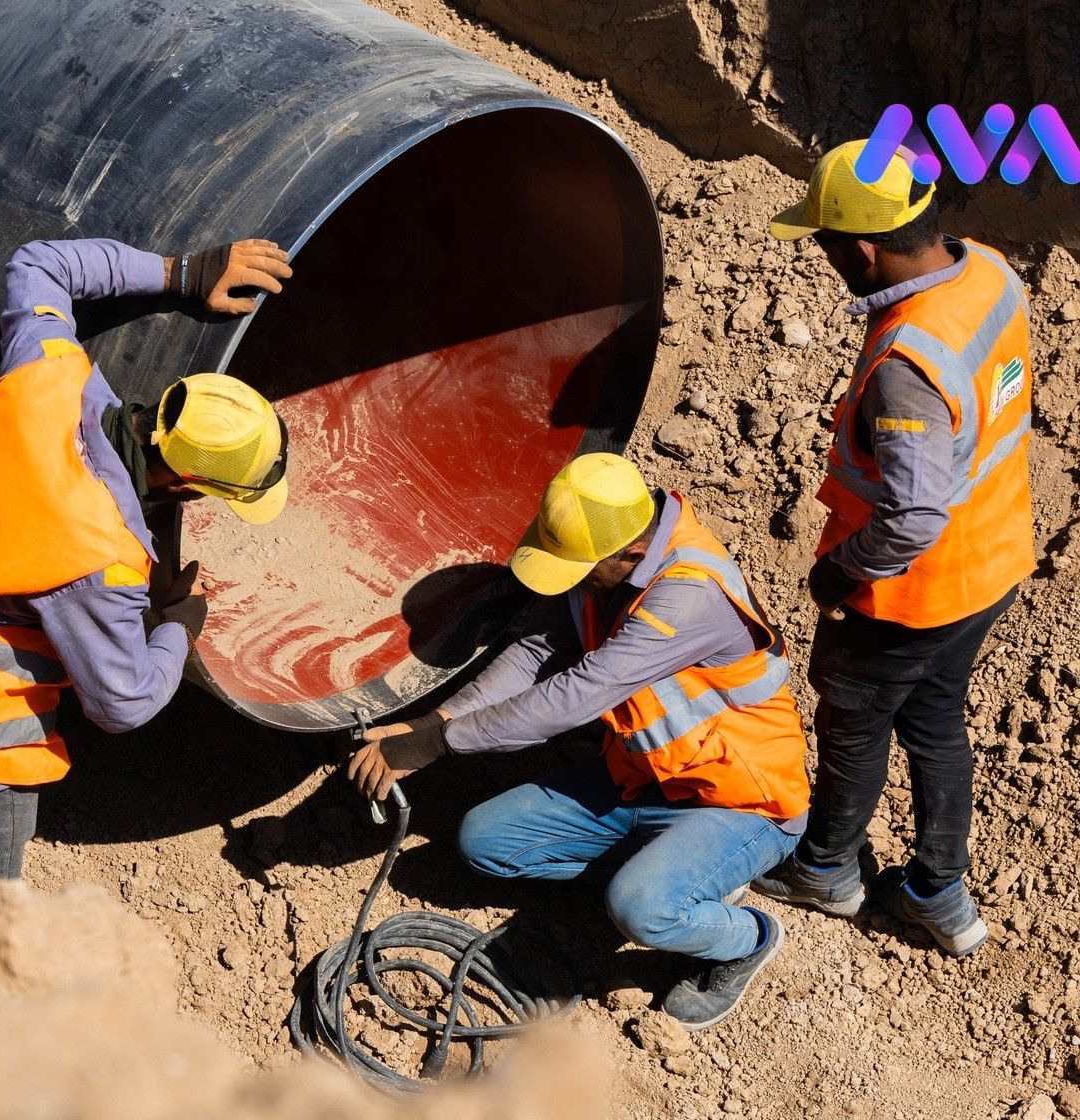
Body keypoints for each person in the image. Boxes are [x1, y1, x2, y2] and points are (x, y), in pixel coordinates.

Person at [0, 236, 294, 912]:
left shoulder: (48, 372)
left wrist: (182, 273)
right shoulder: (98, 555)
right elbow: (123, 702)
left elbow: (37, 263)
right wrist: (178, 624)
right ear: (184, 480)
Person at [348, 453, 810, 1030]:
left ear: (632, 553)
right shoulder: (604, 553)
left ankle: (746, 938)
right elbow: (538, 651)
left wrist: (438, 745)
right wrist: (432, 722)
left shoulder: (688, 596)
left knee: (642, 908)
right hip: (639, 780)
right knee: (485, 842)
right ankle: (658, 879)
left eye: (582, 569)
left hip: (740, 804)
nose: (572, 580)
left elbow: (575, 695)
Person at [749, 141, 1035, 956]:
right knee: (937, 720)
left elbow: (911, 517)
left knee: (855, 720)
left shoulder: (907, 365)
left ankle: (828, 869)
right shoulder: (987, 273)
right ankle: (939, 892)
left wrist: (836, 573)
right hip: (995, 560)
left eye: (827, 243)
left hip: (912, 595)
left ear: (863, 249)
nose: (826, 257)